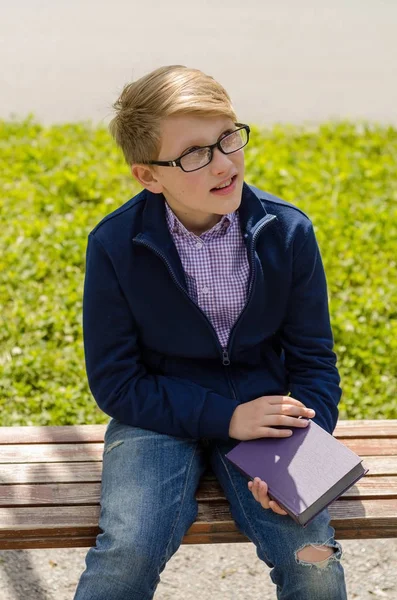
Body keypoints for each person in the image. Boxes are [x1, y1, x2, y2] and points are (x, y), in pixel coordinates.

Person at [73, 65, 347, 599]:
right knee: (128, 548)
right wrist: (226, 416)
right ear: (149, 176)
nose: (224, 163)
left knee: (312, 555)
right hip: (154, 415)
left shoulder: (288, 231)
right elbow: (117, 383)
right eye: (195, 154)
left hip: (266, 415)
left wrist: (302, 449)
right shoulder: (113, 245)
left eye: (227, 138)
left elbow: (314, 362)